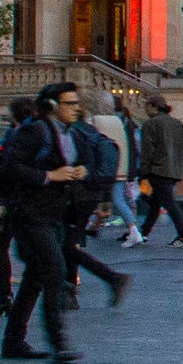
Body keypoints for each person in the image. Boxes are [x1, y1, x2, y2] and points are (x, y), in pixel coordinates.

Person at [0, 81, 97, 364]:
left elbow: (86, 161)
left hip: (54, 215)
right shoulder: (35, 131)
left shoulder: (71, 134)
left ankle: (13, 341)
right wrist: (50, 176)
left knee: (35, 279)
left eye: (78, 103)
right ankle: (59, 341)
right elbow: (9, 167)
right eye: (70, 104)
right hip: (29, 215)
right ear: (52, 106)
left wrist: (81, 171)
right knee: (55, 271)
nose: (76, 109)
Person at [59, 102, 133, 310]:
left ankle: (111, 278)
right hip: (89, 194)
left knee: (66, 244)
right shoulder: (90, 131)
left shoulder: (72, 133)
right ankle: (69, 291)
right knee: (69, 243)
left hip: (75, 194)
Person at [0, 96, 36, 317]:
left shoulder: (13, 137)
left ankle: (6, 296)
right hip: (31, 200)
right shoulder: (39, 134)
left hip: (8, 200)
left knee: (1, 247)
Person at [133, 97, 183, 247]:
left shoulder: (150, 124)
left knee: (167, 202)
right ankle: (144, 232)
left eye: (146, 106)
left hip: (158, 169)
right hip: (174, 169)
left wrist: (144, 171)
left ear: (153, 107)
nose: (145, 109)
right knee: (156, 201)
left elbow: (147, 150)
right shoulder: (177, 123)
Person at [87, 94, 141, 235]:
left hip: (99, 167)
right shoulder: (118, 121)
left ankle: (90, 225)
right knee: (119, 199)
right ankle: (133, 229)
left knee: (90, 197)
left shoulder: (94, 120)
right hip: (119, 167)